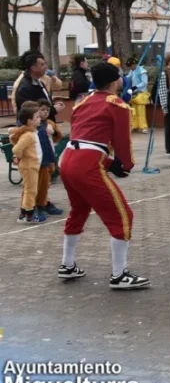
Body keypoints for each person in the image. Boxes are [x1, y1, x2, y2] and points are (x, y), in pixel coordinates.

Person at [58, 62, 149, 289]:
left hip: (68, 159)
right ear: (114, 81)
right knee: (122, 215)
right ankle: (119, 275)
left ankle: (67, 264)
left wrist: (110, 163)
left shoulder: (82, 102)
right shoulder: (117, 104)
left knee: (79, 210)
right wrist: (125, 165)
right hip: (87, 164)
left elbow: (85, 138)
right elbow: (121, 141)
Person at [10, 103, 43, 224]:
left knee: (27, 189)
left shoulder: (33, 133)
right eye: (37, 117)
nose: (39, 119)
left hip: (32, 166)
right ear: (30, 121)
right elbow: (17, 149)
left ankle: (23, 213)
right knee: (31, 190)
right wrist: (18, 156)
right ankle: (29, 215)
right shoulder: (28, 135)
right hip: (29, 166)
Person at [34, 99, 64, 217]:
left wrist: (53, 133)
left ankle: (45, 202)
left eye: (47, 110)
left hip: (49, 156)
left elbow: (59, 137)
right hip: (36, 158)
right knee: (36, 183)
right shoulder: (33, 123)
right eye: (42, 110)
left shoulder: (50, 123)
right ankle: (36, 206)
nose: (45, 112)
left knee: (46, 183)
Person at [14, 50, 60, 122]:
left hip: (46, 125)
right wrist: (54, 110)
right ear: (33, 68)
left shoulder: (39, 82)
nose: (45, 67)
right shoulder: (25, 88)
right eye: (42, 65)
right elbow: (30, 112)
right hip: (36, 128)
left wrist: (52, 105)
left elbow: (42, 102)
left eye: (45, 64)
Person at [156, 53, 170, 157]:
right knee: (169, 125)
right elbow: (162, 90)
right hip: (168, 100)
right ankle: (169, 148)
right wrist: (164, 106)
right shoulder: (164, 73)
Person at [126, 58, 150, 134]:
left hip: (141, 93)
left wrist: (136, 87)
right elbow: (128, 78)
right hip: (134, 94)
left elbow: (144, 82)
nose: (130, 68)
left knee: (141, 111)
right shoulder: (132, 71)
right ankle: (134, 126)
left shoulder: (142, 71)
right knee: (134, 111)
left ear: (134, 64)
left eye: (131, 66)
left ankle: (143, 127)